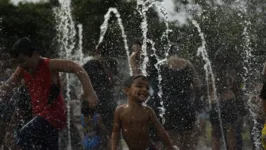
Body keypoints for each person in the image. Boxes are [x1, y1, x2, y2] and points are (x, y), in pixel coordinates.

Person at [0, 37, 99, 149]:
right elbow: (9, 84)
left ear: (35, 54)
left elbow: (76, 68)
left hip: (54, 114)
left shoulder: (50, 64)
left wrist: (89, 92)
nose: (22, 65)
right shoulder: (22, 69)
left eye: (23, 61)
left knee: (23, 135)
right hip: (41, 117)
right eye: (19, 63)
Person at [111, 75, 174, 150]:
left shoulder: (148, 111)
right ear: (127, 90)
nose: (144, 89)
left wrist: (170, 146)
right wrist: (114, 148)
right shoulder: (120, 111)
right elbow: (115, 132)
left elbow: (160, 130)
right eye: (139, 86)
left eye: (147, 88)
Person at [158, 46, 202, 150]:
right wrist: (195, 100)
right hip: (186, 104)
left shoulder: (162, 65)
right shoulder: (188, 64)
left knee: (171, 140)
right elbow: (198, 86)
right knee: (188, 139)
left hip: (169, 106)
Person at [83, 41, 118, 137]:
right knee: (111, 132)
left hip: (94, 99)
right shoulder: (112, 63)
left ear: (97, 51)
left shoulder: (88, 65)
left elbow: (84, 84)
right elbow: (113, 83)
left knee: (95, 132)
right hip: (108, 99)